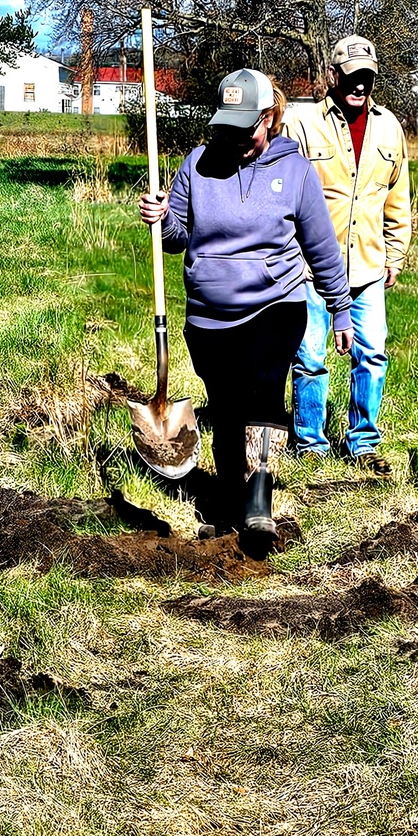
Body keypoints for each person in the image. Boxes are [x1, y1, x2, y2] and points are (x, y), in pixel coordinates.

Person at [140, 68, 351, 537]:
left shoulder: (293, 169)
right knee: (228, 405)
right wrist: (160, 217)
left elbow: (322, 246)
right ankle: (233, 498)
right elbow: (176, 237)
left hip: (275, 302)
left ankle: (259, 498)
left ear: (269, 117)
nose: (236, 139)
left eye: (246, 129)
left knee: (263, 388)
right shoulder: (196, 165)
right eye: (227, 128)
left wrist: (340, 308)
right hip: (210, 314)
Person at [283, 35, 411, 473]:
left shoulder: (390, 127)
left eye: (367, 78)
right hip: (311, 267)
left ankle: (363, 441)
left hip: (369, 267)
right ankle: (311, 444)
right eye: (352, 77)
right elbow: (282, 189)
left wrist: (395, 254)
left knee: (372, 354)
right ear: (333, 76)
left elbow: (397, 196)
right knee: (311, 358)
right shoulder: (302, 124)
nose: (359, 86)